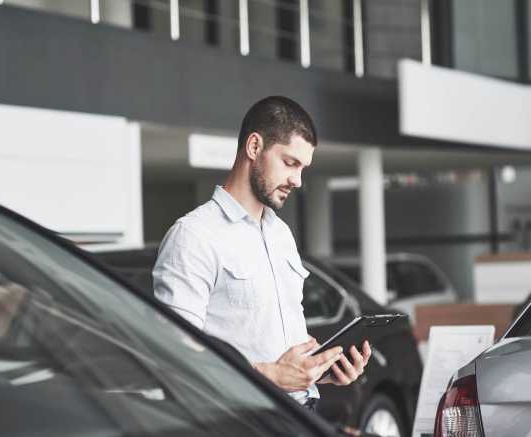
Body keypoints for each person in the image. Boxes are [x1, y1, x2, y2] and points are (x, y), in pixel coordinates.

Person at [153, 96, 371, 411]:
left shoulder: (281, 234)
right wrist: (271, 375)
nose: (297, 180)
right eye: (290, 163)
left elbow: (277, 352)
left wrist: (320, 372)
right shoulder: (194, 236)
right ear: (254, 147)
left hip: (302, 415)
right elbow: (174, 358)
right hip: (243, 421)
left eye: (303, 168)